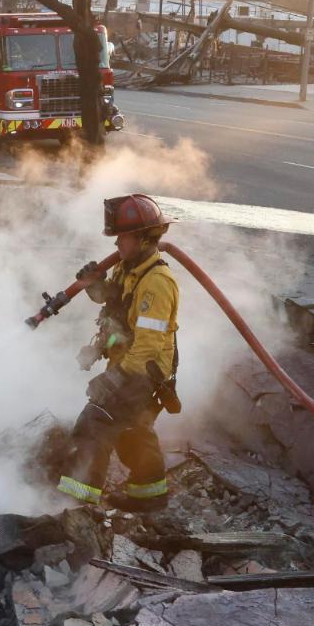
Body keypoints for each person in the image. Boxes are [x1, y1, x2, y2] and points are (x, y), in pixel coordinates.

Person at [57, 194, 181, 513]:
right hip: (130, 364)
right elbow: (116, 311)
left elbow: (147, 346)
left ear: (142, 238)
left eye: (121, 238)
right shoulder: (129, 270)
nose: (116, 246)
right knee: (133, 430)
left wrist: (113, 380)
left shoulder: (157, 283)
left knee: (94, 423)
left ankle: (77, 503)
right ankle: (149, 496)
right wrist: (95, 287)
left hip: (142, 371)